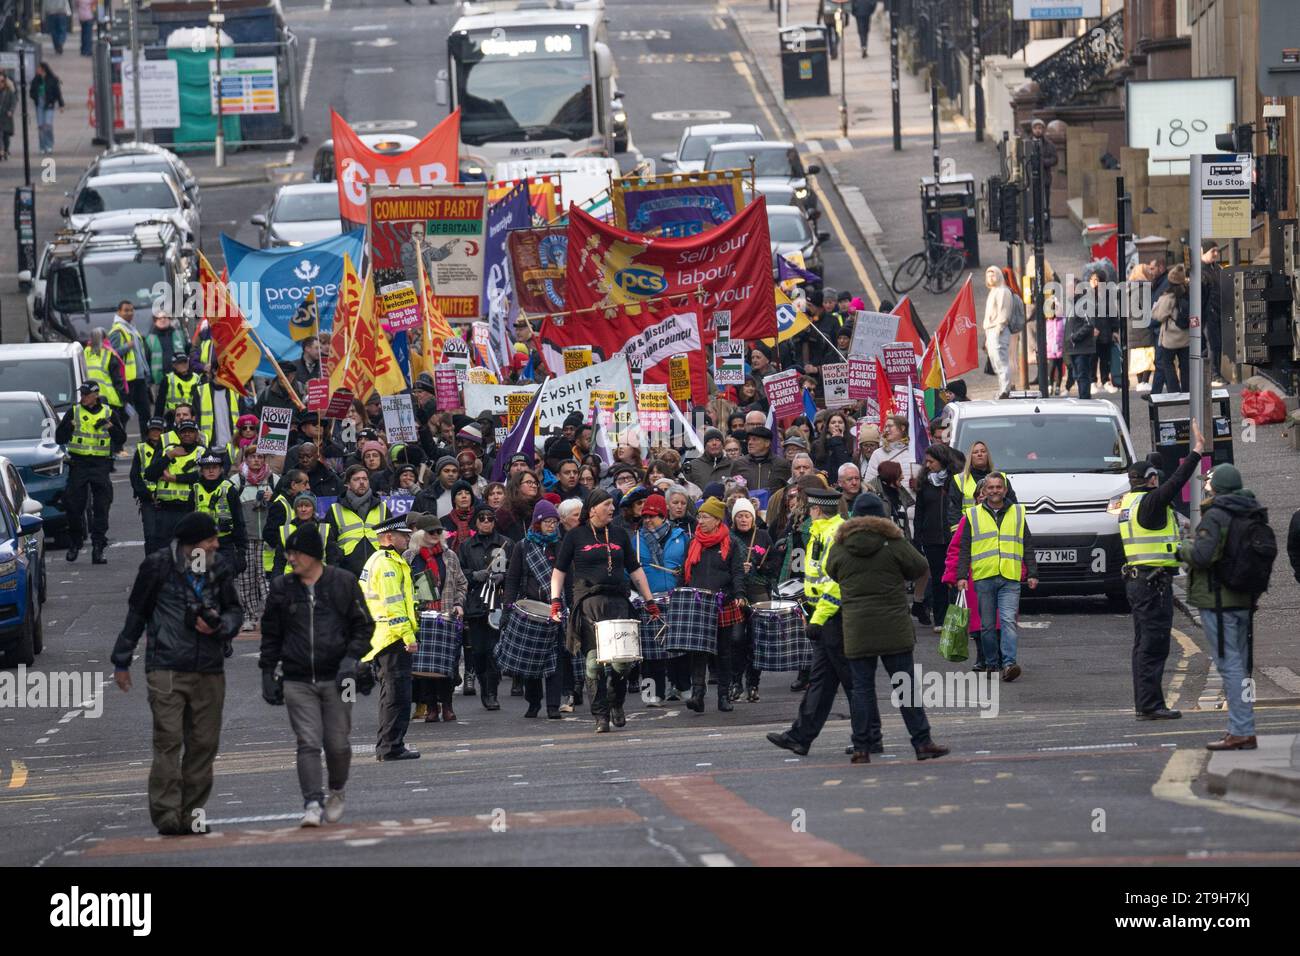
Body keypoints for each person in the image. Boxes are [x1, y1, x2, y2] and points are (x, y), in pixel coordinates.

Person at [111, 512, 243, 835]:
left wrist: (220, 626)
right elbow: (137, 613)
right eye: (209, 539)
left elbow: (235, 611)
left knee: (203, 745)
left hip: (209, 669)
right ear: (190, 545)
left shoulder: (219, 567)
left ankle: (192, 814)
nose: (216, 544)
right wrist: (121, 661)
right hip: (166, 667)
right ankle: (167, 815)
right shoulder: (157, 566)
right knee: (168, 741)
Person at [260, 525, 373, 827]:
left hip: (340, 678)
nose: (291, 558)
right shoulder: (282, 587)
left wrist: (351, 659)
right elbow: (271, 634)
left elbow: (364, 627)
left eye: (296, 553)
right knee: (308, 741)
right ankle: (312, 801)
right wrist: (267, 672)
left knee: (337, 743)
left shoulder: (343, 582)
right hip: (297, 679)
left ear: (313, 555)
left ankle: (336, 790)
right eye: (289, 553)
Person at [831, 493, 949, 763]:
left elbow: (831, 570)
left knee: (862, 689)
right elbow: (920, 567)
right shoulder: (893, 542)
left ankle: (862, 746)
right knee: (904, 687)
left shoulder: (841, 544)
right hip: (893, 625)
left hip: (857, 627)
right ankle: (922, 741)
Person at [550, 488, 660, 733]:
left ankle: (616, 701)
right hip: (588, 601)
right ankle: (600, 715)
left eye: (613, 505)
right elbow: (559, 571)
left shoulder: (620, 534)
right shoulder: (575, 536)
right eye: (607, 504)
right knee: (593, 662)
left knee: (623, 662)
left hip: (618, 601)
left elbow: (635, 569)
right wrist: (555, 601)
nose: (612, 509)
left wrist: (650, 600)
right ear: (592, 509)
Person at [1120, 420, 1204, 721]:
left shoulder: (1129, 502)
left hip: (1141, 580)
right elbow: (1177, 482)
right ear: (1151, 479)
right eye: (1156, 476)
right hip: (1152, 583)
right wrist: (1196, 451)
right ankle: (1151, 705)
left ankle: (1146, 702)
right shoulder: (1151, 502)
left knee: (1144, 645)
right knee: (1154, 646)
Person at [1180, 464, 1268, 751]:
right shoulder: (1250, 511)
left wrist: (1183, 547)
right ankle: (1242, 727)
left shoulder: (1216, 515)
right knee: (1240, 665)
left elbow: (1203, 556)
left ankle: (1241, 730)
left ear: (1217, 488)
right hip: (1243, 599)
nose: (1207, 488)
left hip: (1218, 601)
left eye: (1209, 485)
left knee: (1228, 665)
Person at [767, 485, 853, 756]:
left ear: (816, 510)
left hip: (834, 617)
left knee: (853, 682)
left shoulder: (834, 535)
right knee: (822, 681)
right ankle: (800, 737)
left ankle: (869, 735)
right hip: (824, 617)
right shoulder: (821, 532)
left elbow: (834, 585)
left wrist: (818, 620)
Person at [956, 472, 1037, 682]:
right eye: (990, 488)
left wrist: (1032, 572)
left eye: (998, 487)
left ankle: (1009, 664)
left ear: (1005, 489)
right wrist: (961, 575)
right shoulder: (973, 515)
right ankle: (992, 663)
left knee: (1008, 620)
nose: (994, 491)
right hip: (984, 577)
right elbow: (964, 547)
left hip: (1009, 577)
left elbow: (1027, 543)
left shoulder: (1018, 513)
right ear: (984, 491)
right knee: (988, 626)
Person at [360, 516, 420, 761]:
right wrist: (408, 635)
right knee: (397, 696)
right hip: (392, 637)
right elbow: (393, 606)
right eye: (403, 535)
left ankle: (390, 744)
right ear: (388, 537)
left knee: (392, 694)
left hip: (384, 635)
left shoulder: (382, 560)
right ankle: (391, 747)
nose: (407, 538)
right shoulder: (386, 565)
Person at [678, 497, 745, 714]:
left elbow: (737, 573)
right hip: (698, 603)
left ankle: (723, 696)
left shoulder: (731, 543)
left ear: (717, 520)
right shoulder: (692, 542)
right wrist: (679, 593)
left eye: (705, 517)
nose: (700, 520)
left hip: (722, 602)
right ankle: (698, 695)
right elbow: (685, 572)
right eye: (699, 516)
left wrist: (739, 594)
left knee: (723, 652)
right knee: (698, 651)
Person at [502, 499, 568, 718]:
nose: (551, 525)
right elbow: (512, 579)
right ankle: (533, 702)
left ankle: (552, 705)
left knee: (555, 660)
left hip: (556, 608)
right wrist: (507, 609)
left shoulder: (561, 545)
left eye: (554, 522)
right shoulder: (523, 546)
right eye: (547, 521)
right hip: (530, 611)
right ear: (537, 523)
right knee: (531, 661)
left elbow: (570, 576)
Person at [56, 382, 125, 564]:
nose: (83, 397)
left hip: (100, 465)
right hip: (79, 464)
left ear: (96, 395)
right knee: (73, 505)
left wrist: (110, 427)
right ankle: (75, 541)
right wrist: (68, 427)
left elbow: (121, 438)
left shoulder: (108, 413)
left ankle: (98, 547)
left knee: (102, 506)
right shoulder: (74, 412)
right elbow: (59, 438)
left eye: (86, 394)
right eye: (82, 394)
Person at [405, 516, 466, 722]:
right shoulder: (409, 557)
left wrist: (459, 603)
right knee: (424, 667)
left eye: (438, 532)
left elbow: (461, 583)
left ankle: (447, 705)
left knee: (448, 663)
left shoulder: (450, 556)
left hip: (446, 614)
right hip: (420, 616)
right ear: (420, 534)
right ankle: (431, 707)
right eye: (431, 532)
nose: (436, 536)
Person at [635, 493, 690, 704]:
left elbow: (689, 564)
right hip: (649, 600)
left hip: (675, 598)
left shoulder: (680, 536)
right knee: (650, 651)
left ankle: (683, 687)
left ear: (663, 516)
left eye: (653, 516)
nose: (648, 521)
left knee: (679, 647)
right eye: (645, 517)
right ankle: (652, 693)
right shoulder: (636, 540)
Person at [460, 504, 512, 710]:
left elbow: (518, 571)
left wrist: (505, 576)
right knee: (479, 652)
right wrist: (473, 575)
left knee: (494, 651)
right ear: (476, 521)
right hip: (475, 603)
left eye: (490, 518)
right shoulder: (466, 546)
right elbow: (458, 573)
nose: (486, 522)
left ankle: (491, 693)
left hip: (498, 603)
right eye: (482, 518)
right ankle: (484, 686)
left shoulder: (507, 544)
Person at [730, 497, 772, 702]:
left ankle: (753, 683)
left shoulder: (763, 536)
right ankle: (736, 681)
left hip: (758, 590)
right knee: (737, 639)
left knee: (757, 640)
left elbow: (775, 563)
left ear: (753, 518)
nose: (744, 519)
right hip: (737, 593)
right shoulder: (729, 538)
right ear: (734, 519)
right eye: (740, 516)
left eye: (747, 515)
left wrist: (760, 566)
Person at [146, 420, 206, 546]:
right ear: (179, 435)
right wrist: (169, 456)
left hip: (191, 510)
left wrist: (175, 478)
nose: (187, 434)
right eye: (184, 432)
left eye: (191, 432)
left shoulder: (203, 452)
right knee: (162, 550)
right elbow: (150, 474)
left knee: (195, 550)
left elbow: (204, 476)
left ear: (196, 434)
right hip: (166, 509)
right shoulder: (168, 450)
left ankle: (195, 567)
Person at [913, 445, 954, 633]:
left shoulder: (954, 481)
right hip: (931, 538)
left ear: (942, 460)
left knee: (953, 579)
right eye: (926, 462)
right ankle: (940, 619)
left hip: (952, 537)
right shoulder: (925, 483)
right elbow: (920, 511)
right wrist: (918, 537)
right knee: (938, 579)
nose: (928, 465)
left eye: (932, 461)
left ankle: (956, 617)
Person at [326, 465, 390, 576]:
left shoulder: (382, 507)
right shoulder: (335, 509)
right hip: (347, 573)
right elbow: (330, 545)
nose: (361, 482)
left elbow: (393, 538)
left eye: (365, 479)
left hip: (380, 572)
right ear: (347, 484)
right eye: (356, 479)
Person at [190, 454, 247, 575]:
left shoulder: (229, 489)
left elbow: (238, 521)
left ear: (221, 469)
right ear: (201, 470)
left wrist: (241, 551)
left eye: (215, 467)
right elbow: (187, 520)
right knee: (198, 582)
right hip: (199, 545)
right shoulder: (195, 489)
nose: (211, 470)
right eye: (207, 467)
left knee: (224, 581)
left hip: (224, 544)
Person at [107, 300, 152, 439]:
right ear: (118, 312)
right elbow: (112, 354)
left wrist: (146, 372)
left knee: (145, 412)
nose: (130, 313)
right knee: (125, 413)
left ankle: (147, 441)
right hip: (127, 379)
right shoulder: (117, 331)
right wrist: (127, 346)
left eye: (131, 310)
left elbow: (140, 354)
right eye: (126, 310)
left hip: (139, 378)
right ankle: (119, 444)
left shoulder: (132, 329)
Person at [82, 328, 127, 453]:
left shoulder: (84, 352)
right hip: (108, 397)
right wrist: (124, 397)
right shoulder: (109, 353)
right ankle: (111, 454)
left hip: (89, 397)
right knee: (109, 428)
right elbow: (117, 379)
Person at [130, 417, 167, 554]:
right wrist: (146, 494)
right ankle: (151, 568)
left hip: (166, 499)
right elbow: (134, 476)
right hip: (147, 500)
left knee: (164, 537)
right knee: (150, 536)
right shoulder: (141, 449)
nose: (155, 433)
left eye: (158, 430)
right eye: (153, 430)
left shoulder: (170, 448)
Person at [1153, 265, 1191, 394]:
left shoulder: (1168, 297)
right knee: (1185, 366)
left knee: (1168, 364)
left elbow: (1159, 316)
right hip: (1186, 337)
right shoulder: (1189, 294)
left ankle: (1174, 390)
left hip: (1170, 338)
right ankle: (1187, 391)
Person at [983, 265, 1015, 399]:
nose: (990, 277)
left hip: (998, 330)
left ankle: (1005, 388)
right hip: (990, 330)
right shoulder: (993, 292)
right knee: (995, 361)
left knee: (1001, 361)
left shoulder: (1003, 291)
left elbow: (1004, 312)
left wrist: (999, 328)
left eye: (993, 274)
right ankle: (1002, 387)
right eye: (988, 275)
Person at [730, 425, 792, 493]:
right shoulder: (739, 464)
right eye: (749, 439)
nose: (750, 442)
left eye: (754, 439)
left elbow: (788, 490)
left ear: (767, 443)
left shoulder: (781, 464)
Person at [1200, 240, 1225, 386]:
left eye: (1217, 250)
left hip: (1216, 312)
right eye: (1212, 251)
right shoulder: (1200, 270)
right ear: (1203, 251)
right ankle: (1213, 375)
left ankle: (1214, 373)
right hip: (1207, 313)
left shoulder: (1216, 268)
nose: (1216, 253)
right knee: (1212, 345)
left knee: (1215, 344)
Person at [1030, 118, 1057, 242]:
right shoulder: (1028, 143)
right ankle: (1034, 232)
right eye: (1036, 128)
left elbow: (1054, 159)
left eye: (1040, 128)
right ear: (1032, 130)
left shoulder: (1049, 144)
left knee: (1045, 206)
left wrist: (1042, 162)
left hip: (1045, 179)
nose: (1038, 130)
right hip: (1031, 181)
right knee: (1032, 206)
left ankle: (1046, 233)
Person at [29, 61, 64, 154]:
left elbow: (57, 92)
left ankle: (49, 145)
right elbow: (31, 91)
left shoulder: (52, 79)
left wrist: (61, 105)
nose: (37, 70)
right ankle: (42, 146)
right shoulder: (36, 80)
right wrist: (35, 96)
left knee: (47, 125)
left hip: (49, 104)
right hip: (39, 104)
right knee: (41, 126)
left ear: (43, 69)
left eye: (39, 68)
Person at [0, 73, 16, 160]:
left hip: (6, 117)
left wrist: (11, 111)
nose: (0, 83)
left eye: (2, 81)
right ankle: (1, 151)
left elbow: (13, 103)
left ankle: (5, 150)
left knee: (6, 136)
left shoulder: (9, 92)